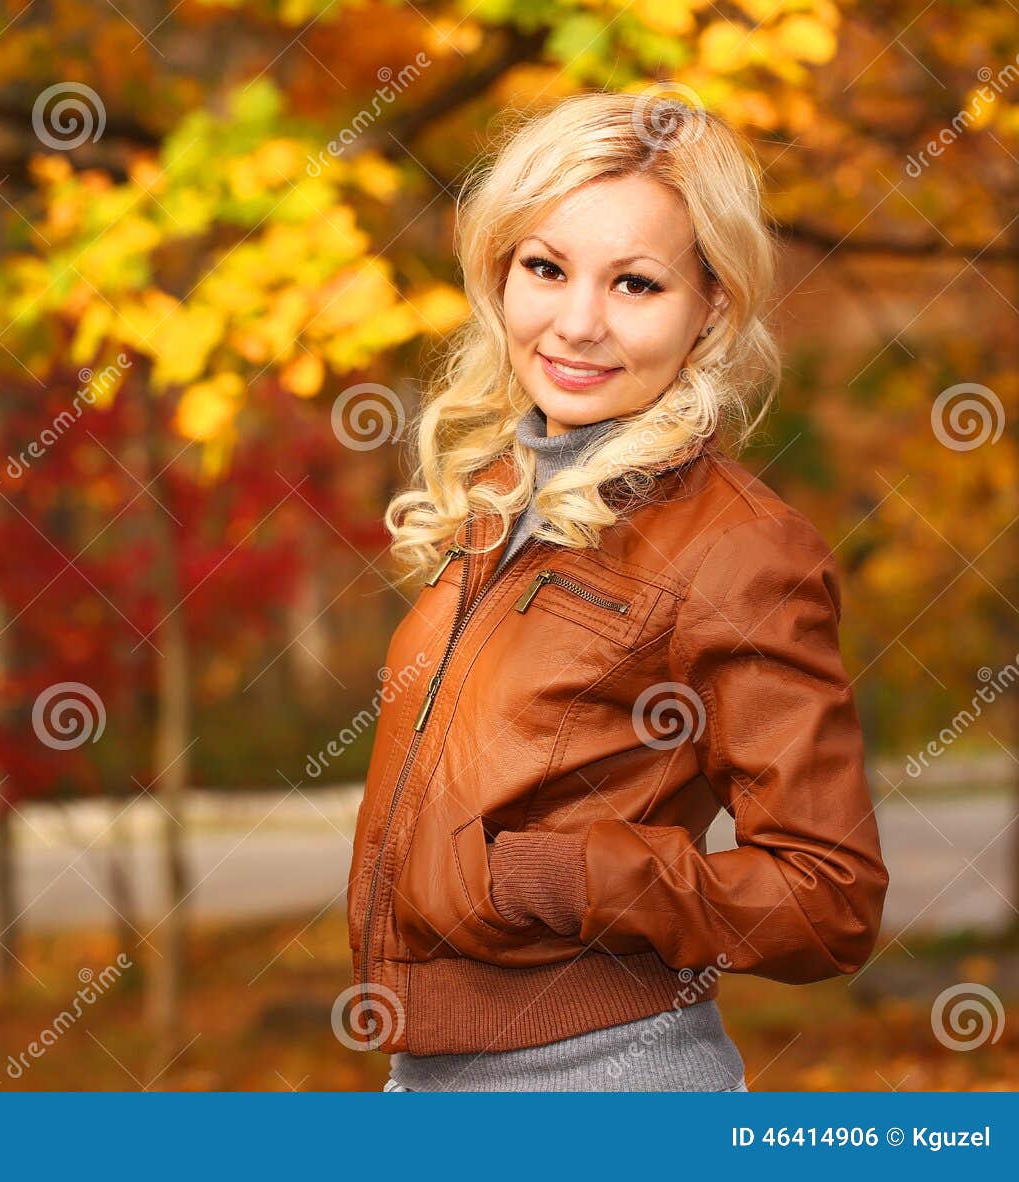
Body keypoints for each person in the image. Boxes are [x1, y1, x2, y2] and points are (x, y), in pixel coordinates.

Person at [344, 90, 889, 1092]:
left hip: (597, 1081)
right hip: (427, 1075)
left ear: (709, 308)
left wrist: (570, 875)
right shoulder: (508, 493)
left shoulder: (738, 548)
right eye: (546, 269)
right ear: (500, 273)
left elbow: (828, 896)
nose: (578, 324)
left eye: (635, 285)